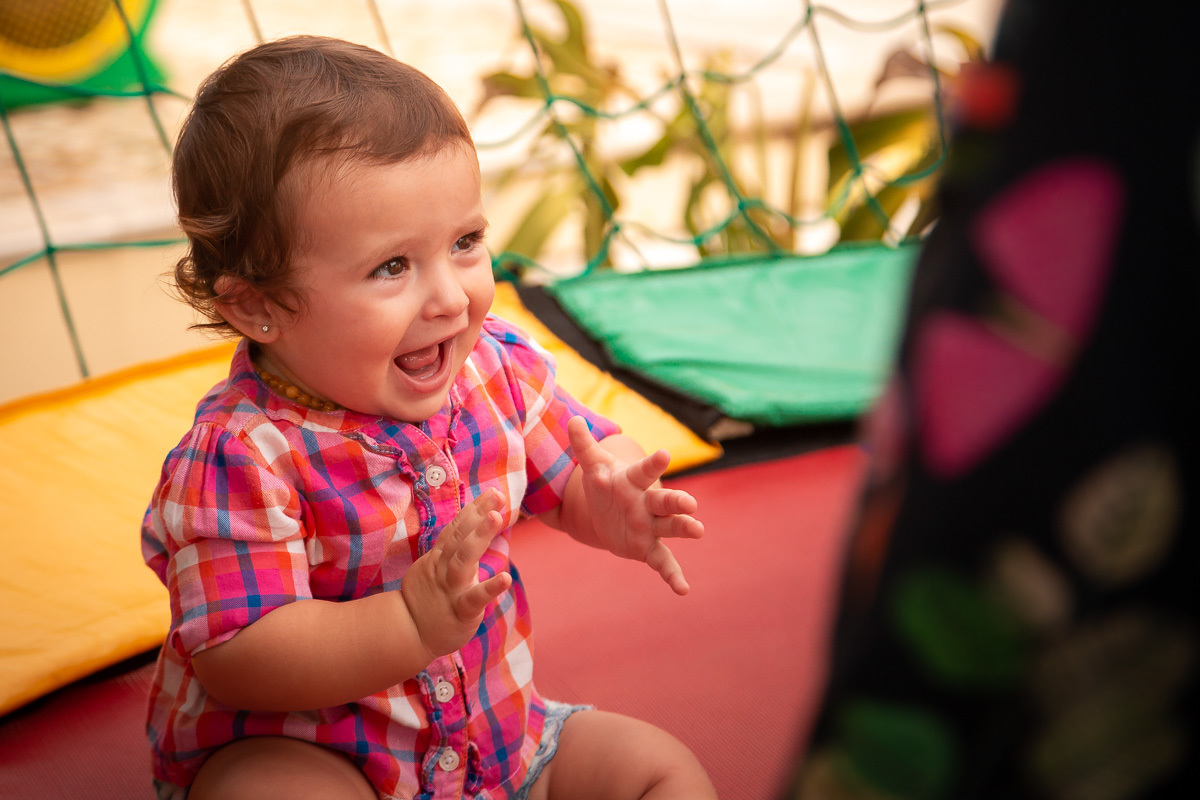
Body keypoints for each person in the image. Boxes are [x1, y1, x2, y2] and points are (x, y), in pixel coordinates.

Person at [141, 35, 716, 800]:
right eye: (392, 266)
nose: (450, 298)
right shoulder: (241, 455)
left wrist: (611, 500)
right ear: (259, 306)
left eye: (466, 242)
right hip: (312, 750)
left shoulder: (493, 369)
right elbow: (239, 653)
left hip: (497, 745)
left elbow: (577, 461)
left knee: (660, 770)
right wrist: (408, 625)